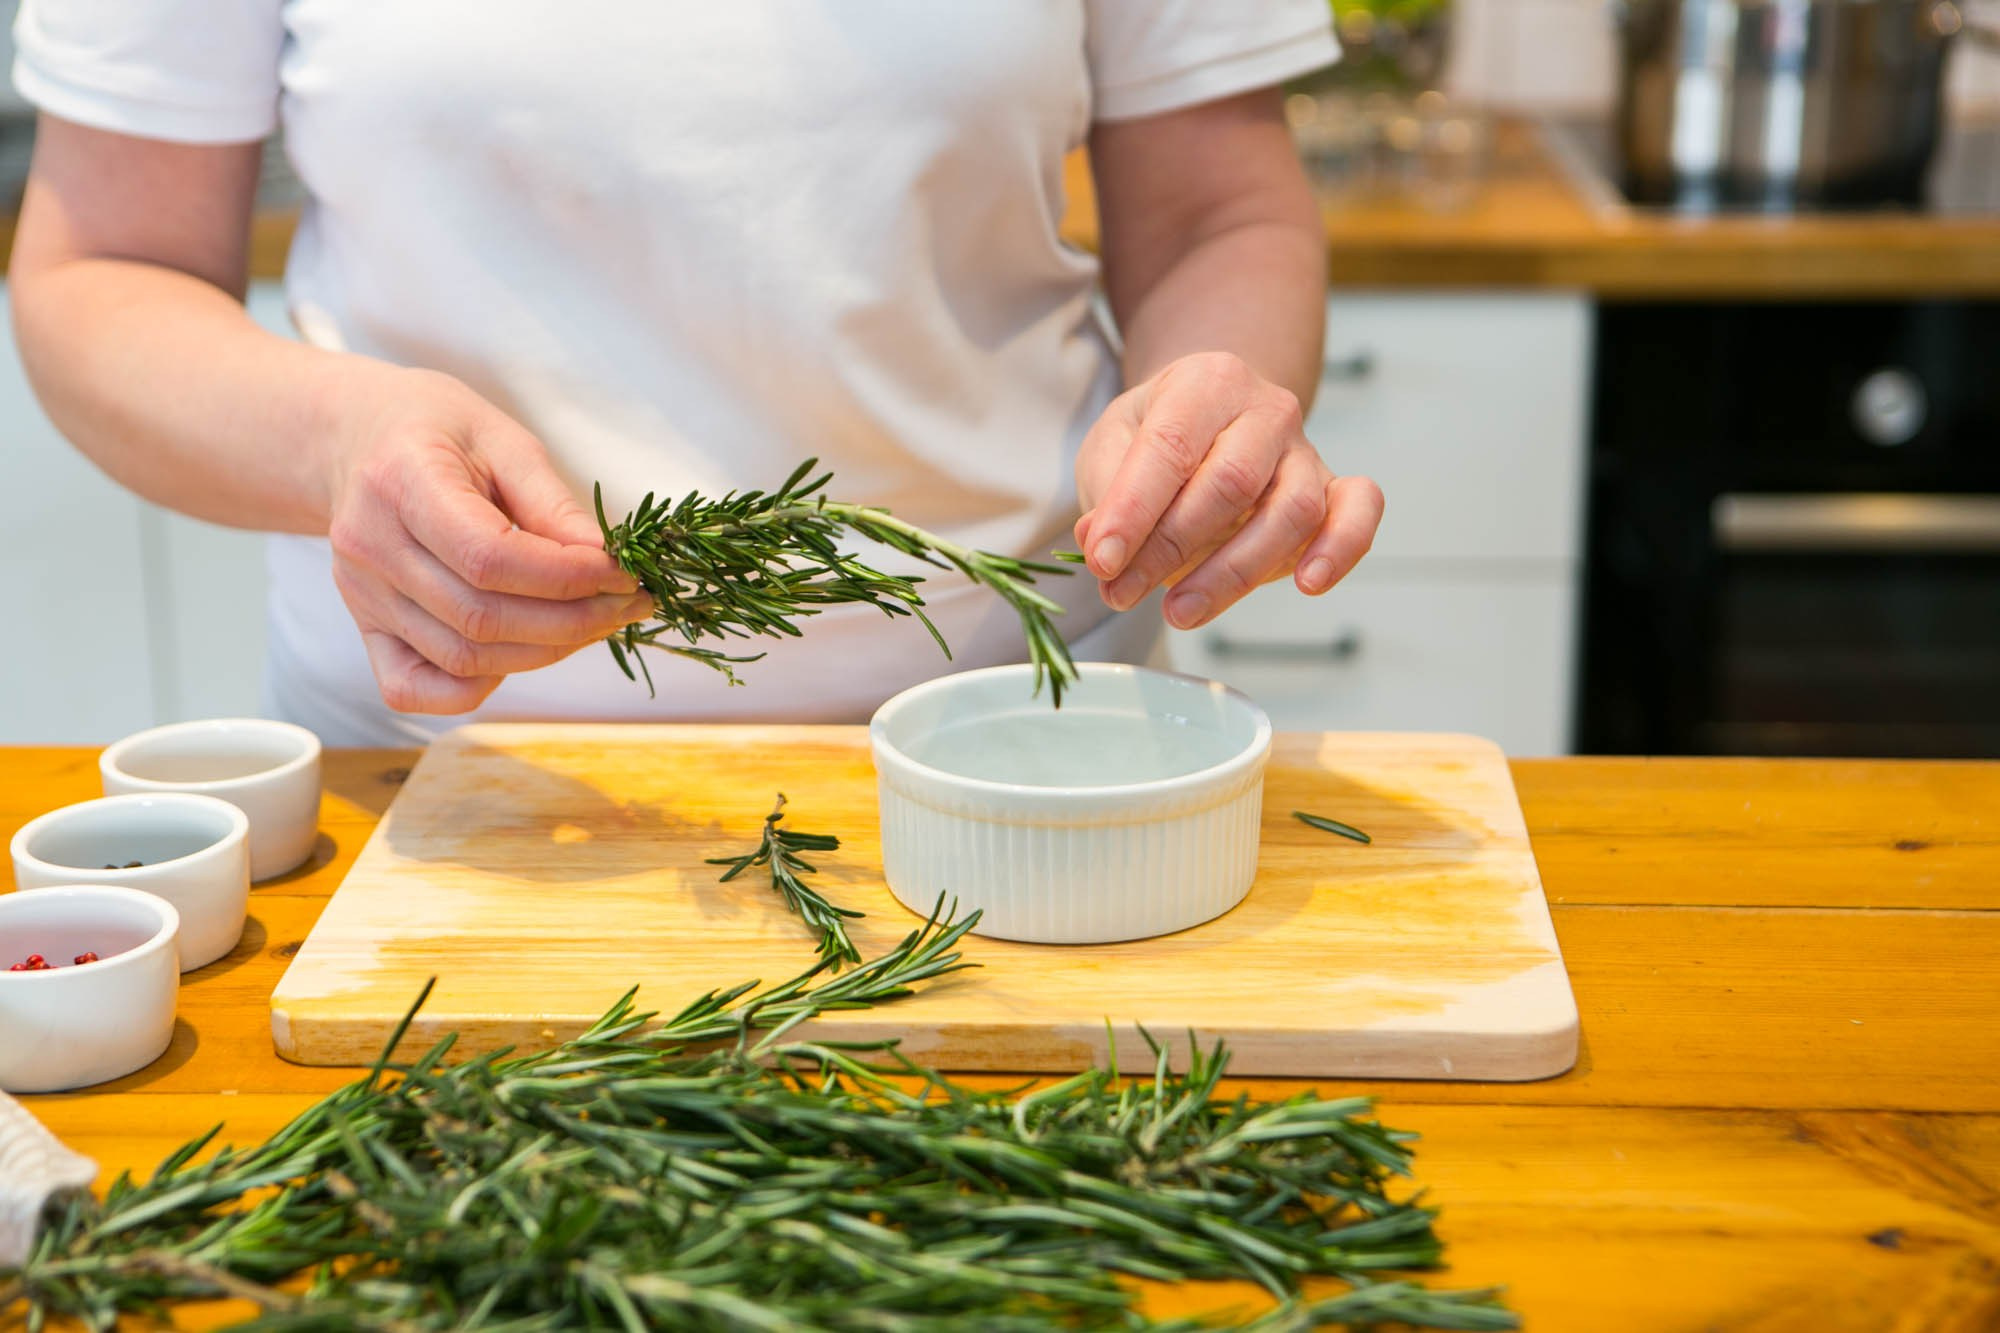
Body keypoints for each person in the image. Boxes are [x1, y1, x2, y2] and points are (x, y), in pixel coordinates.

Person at [9, 3, 1383, 747]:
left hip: (1030, 751)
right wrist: (332, 441)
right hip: (454, 784)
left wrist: (1211, 396)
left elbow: (1222, 215)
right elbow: (96, 269)